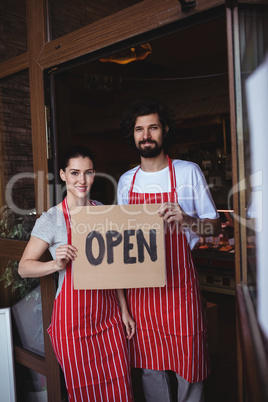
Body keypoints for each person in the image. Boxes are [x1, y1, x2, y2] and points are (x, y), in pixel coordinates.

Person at [117, 100, 221, 402]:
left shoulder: (188, 172)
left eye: (152, 127)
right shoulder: (127, 181)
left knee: (189, 365)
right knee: (150, 368)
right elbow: (122, 240)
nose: (146, 134)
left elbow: (213, 229)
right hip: (142, 292)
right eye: (139, 129)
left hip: (179, 288)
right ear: (132, 135)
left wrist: (187, 219)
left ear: (165, 130)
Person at [19, 145, 135, 402]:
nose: (82, 180)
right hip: (72, 325)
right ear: (62, 175)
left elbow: (113, 267)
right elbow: (24, 267)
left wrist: (124, 309)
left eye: (89, 172)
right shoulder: (51, 219)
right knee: (83, 392)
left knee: (120, 388)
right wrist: (55, 265)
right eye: (74, 173)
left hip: (108, 317)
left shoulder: (104, 211)